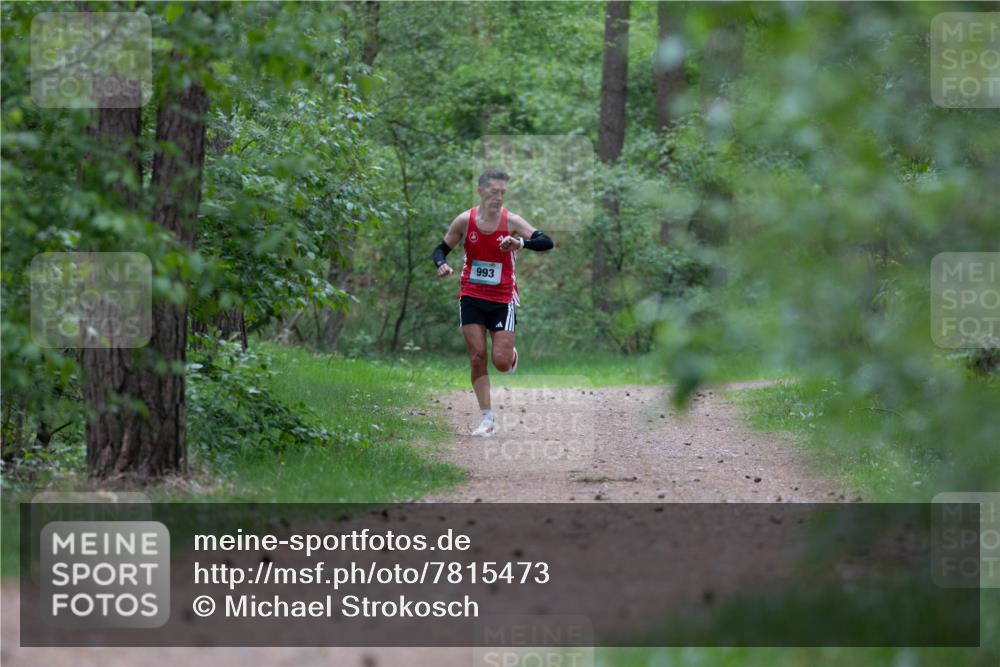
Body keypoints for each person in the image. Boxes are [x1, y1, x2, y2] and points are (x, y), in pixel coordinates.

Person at [432, 169, 554, 436]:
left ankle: (510, 356)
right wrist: (441, 264)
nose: (498, 197)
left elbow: (546, 242)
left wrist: (519, 243)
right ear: (480, 191)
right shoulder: (465, 221)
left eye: (502, 192)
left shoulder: (511, 221)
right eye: (493, 191)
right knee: (477, 356)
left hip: (502, 298)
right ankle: (487, 419)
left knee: (500, 362)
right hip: (471, 295)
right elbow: (440, 249)